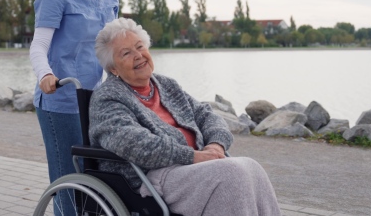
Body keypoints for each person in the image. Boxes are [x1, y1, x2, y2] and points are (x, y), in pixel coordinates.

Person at [90, 18, 282, 216]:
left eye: (140, 47)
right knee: (231, 174)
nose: (138, 56)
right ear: (113, 68)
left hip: (192, 167)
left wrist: (215, 145)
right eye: (126, 53)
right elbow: (132, 143)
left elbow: (206, 115)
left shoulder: (165, 85)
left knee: (252, 168)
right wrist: (192, 156)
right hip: (151, 176)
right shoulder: (108, 98)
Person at [29, 0, 119, 215]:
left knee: (94, 178)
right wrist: (45, 75)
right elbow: (39, 45)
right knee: (68, 179)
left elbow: (109, 47)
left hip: (95, 101)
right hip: (62, 98)